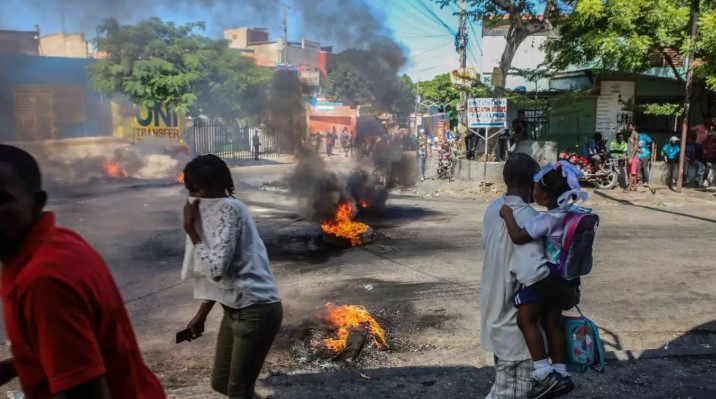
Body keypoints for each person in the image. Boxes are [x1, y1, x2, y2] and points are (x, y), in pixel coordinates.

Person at [0, 145, 165, 399]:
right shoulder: (60, 241)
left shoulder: (42, 283)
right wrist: (17, 364)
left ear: (37, 203)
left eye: (2, 200)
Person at [181, 154, 283, 399]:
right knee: (221, 383)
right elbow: (226, 275)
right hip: (233, 309)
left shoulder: (230, 210)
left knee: (238, 390)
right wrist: (201, 314)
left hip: (256, 309)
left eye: (198, 189)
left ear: (210, 186)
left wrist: (191, 230)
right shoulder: (217, 211)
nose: (195, 197)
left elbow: (216, 269)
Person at [481, 153, 579, 399]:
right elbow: (533, 274)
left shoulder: (494, 210)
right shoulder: (529, 219)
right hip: (517, 333)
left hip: (496, 320)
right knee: (508, 394)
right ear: (531, 183)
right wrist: (567, 296)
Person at [625, 123, 641, 193]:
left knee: (632, 173)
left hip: (634, 156)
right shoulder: (630, 134)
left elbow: (635, 147)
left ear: (634, 127)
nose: (629, 127)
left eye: (630, 126)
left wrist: (631, 157)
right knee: (630, 172)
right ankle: (634, 187)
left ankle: (629, 188)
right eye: (628, 126)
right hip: (629, 155)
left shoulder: (636, 135)